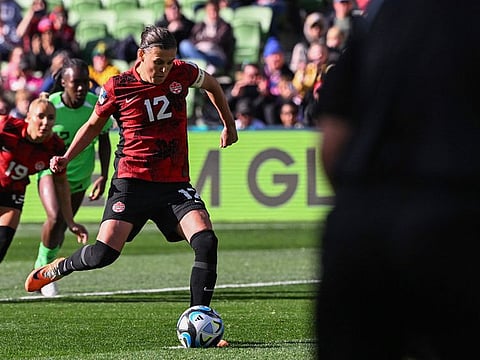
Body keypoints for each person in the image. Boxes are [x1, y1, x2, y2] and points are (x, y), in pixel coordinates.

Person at [25, 26, 237, 347]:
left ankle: (200, 317)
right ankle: (60, 266)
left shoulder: (182, 72)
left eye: (169, 62)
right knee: (103, 255)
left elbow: (211, 85)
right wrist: (67, 157)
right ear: (141, 56)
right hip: (131, 183)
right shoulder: (118, 86)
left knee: (206, 240)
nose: (164, 69)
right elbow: (93, 125)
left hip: (173, 183)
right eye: (158, 62)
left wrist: (229, 125)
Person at [315, 0, 480, 358]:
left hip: (361, 225)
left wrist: (360, 203)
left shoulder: (378, 21)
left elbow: (332, 141)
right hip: (456, 220)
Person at [34, 58, 112, 297]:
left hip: (80, 175)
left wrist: (103, 176)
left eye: (85, 82)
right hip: (50, 171)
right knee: (56, 217)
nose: (81, 88)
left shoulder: (95, 105)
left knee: (65, 225)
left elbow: (105, 141)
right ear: (63, 83)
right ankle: (44, 272)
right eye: (75, 82)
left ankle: (41, 267)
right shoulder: (51, 107)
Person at [0, 93, 88, 264]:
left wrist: (70, 221)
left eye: (50, 118)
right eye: (40, 116)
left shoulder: (55, 146)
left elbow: (61, 183)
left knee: (2, 243)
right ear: (28, 117)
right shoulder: (6, 126)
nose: (46, 122)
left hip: (13, 195)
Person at [178, 0, 235, 75]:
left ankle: (200, 67)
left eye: (215, 10)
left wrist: (202, 40)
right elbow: (192, 39)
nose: (213, 13)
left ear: (219, 10)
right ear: (206, 11)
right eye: (210, 11)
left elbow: (217, 40)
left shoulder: (224, 26)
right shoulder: (200, 25)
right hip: (200, 51)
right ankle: (206, 65)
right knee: (184, 44)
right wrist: (204, 41)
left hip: (216, 55)